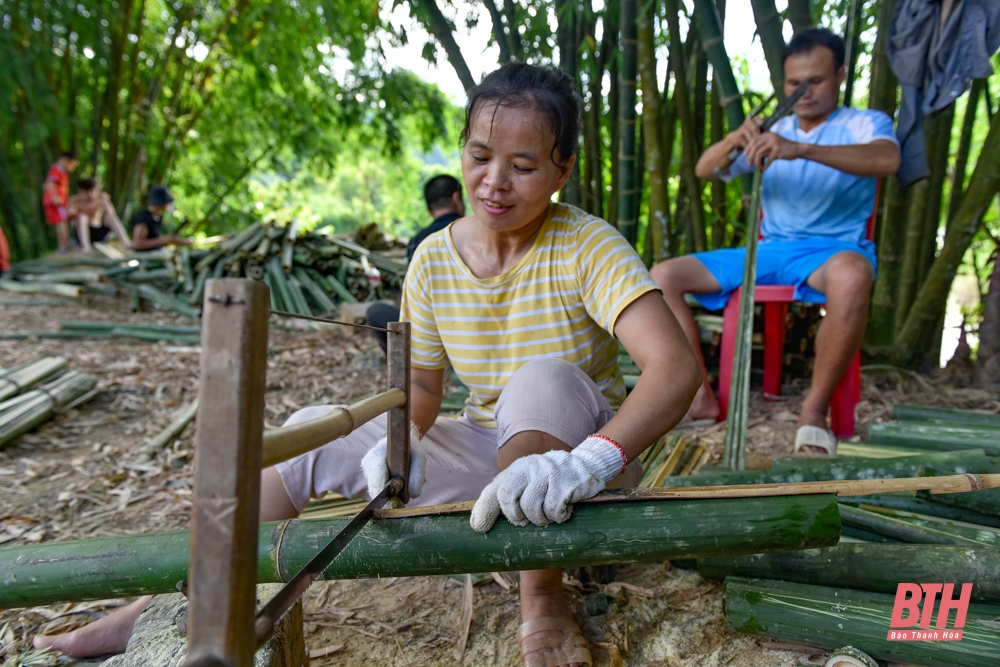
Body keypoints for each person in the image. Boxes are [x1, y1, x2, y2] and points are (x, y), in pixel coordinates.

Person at [35, 63, 701, 667]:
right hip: (490, 457)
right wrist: (400, 438)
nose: (494, 181)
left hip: (580, 466)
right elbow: (420, 387)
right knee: (308, 430)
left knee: (539, 378)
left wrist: (590, 461)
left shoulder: (587, 245)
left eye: (524, 166)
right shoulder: (434, 259)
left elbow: (673, 368)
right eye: (479, 155)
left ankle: (541, 597)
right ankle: (180, 598)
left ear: (563, 171)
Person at [649, 27, 901, 456]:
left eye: (816, 81)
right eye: (792, 83)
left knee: (854, 275)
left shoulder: (863, 122)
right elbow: (705, 169)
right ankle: (700, 398)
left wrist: (799, 148)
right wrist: (736, 138)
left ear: (840, 74)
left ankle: (812, 413)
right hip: (768, 251)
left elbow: (887, 159)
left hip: (833, 252)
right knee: (662, 275)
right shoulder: (773, 128)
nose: (802, 92)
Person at [366, 174, 467, 352]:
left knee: (375, 312)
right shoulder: (478, 233)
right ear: (457, 198)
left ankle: (402, 362)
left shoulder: (417, 241)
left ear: (429, 210)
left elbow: (415, 298)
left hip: (430, 333)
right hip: (471, 327)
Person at [67, 179, 132, 253]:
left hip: (98, 231)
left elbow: (112, 213)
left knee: (110, 217)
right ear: (81, 191)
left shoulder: (101, 197)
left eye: (92, 191)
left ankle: (126, 243)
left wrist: (105, 202)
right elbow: (68, 217)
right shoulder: (75, 200)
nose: (90, 195)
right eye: (87, 192)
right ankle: (86, 247)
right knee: (82, 217)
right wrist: (87, 209)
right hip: (82, 233)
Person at [130, 185, 192, 251]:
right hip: (146, 257)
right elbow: (137, 244)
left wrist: (179, 241)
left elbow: (156, 240)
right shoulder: (144, 218)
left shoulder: (158, 217)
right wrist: (162, 240)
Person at [42, 151, 80, 253]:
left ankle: (65, 245)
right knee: (61, 222)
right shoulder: (56, 169)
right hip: (56, 202)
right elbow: (50, 183)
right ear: (66, 160)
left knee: (62, 221)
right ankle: (64, 246)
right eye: (73, 165)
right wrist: (54, 197)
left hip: (59, 201)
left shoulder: (61, 171)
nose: (73, 168)